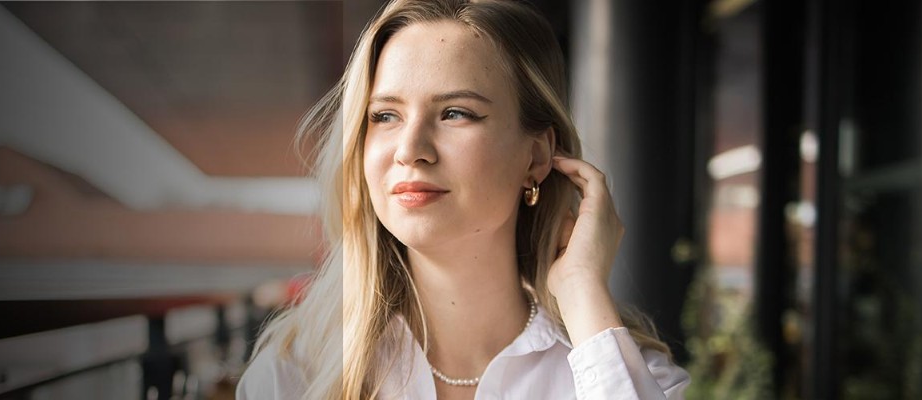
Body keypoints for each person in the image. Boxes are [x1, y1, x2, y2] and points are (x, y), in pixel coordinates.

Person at [236, 0, 690, 398]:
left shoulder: (628, 377)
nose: (410, 149)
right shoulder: (292, 377)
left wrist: (582, 291)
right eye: (385, 115)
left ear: (536, 155)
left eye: (456, 113)